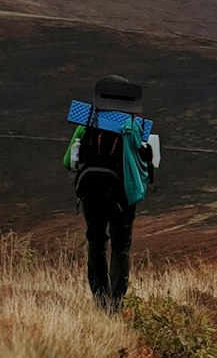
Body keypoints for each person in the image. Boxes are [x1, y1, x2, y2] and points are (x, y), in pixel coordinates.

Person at [64, 75, 154, 312]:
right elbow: (147, 160)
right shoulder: (137, 127)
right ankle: (116, 305)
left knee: (96, 243)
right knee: (121, 246)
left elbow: (67, 161)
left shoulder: (88, 121)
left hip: (91, 192)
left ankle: (100, 301)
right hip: (123, 194)